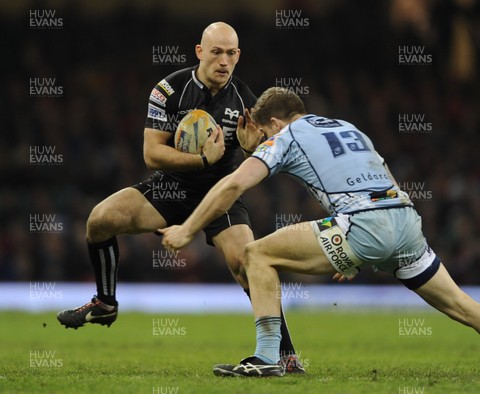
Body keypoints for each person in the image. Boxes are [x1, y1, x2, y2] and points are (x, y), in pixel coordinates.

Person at [160, 87, 480, 378]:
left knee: (255, 254)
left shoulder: (285, 136)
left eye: (258, 129)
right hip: (404, 222)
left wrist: (188, 227)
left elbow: (234, 183)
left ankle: (268, 358)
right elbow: (379, 172)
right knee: (462, 305)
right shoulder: (348, 127)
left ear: (272, 123)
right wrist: (356, 250)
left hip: (364, 224)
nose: (256, 136)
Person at [56, 23, 304, 373]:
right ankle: (106, 302)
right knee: (100, 220)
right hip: (171, 188)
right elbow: (151, 154)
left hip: (221, 194)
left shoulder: (247, 101)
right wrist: (202, 160)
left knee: (248, 263)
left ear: (238, 56)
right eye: (216, 51)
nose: (224, 60)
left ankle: (286, 356)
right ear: (199, 52)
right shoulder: (169, 90)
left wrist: (249, 149)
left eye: (231, 53)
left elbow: (261, 157)